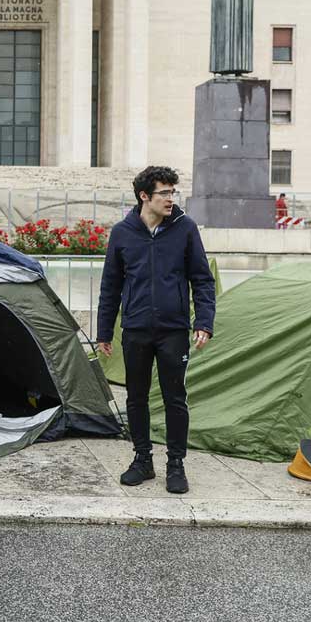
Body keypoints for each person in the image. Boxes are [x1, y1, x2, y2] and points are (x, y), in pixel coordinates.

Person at [96, 167, 216, 494]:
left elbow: (203, 280)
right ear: (144, 196)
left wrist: (204, 321)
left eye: (172, 193)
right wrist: (104, 332)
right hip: (135, 329)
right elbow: (111, 286)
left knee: (175, 398)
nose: (170, 199)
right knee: (135, 398)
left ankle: (175, 464)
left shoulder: (185, 229)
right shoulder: (123, 233)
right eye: (164, 193)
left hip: (174, 330)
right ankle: (142, 460)